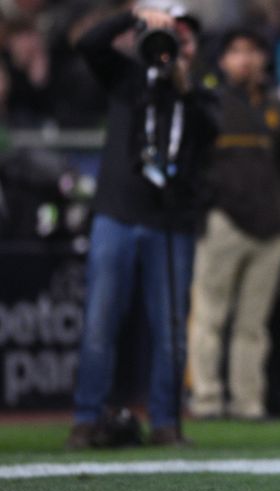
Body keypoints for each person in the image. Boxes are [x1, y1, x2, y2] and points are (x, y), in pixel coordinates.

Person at [67, 1, 217, 448]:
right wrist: (134, 18)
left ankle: (167, 422)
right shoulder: (126, 78)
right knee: (100, 322)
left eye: (183, 36)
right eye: (169, 34)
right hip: (116, 214)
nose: (175, 43)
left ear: (193, 45)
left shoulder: (202, 94)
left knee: (170, 329)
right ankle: (86, 419)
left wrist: (185, 88)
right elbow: (88, 44)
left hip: (171, 223)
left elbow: (209, 130)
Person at [188, 29, 280, 421]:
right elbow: (195, 165)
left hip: (270, 228)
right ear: (221, 60)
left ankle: (248, 402)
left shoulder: (276, 108)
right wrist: (208, 205)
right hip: (223, 222)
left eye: (252, 50)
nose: (245, 59)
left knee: (254, 325)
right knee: (210, 316)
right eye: (236, 51)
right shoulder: (209, 103)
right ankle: (206, 399)